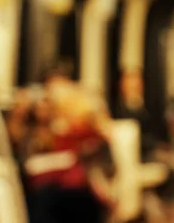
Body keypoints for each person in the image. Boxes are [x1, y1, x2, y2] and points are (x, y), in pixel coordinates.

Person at [8, 74, 114, 223]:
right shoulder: (41, 131)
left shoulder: (87, 133)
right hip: (53, 189)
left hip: (77, 190)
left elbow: (97, 162)